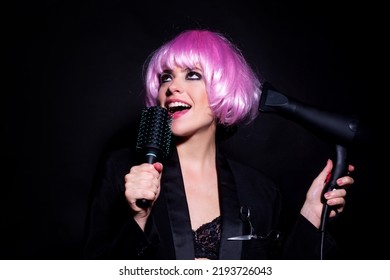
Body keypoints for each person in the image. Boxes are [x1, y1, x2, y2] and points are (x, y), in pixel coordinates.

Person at [83, 29, 355, 260]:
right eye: (166, 77)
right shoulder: (122, 169)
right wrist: (139, 218)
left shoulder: (260, 190)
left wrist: (311, 215)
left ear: (223, 88)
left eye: (192, 75)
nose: (172, 87)